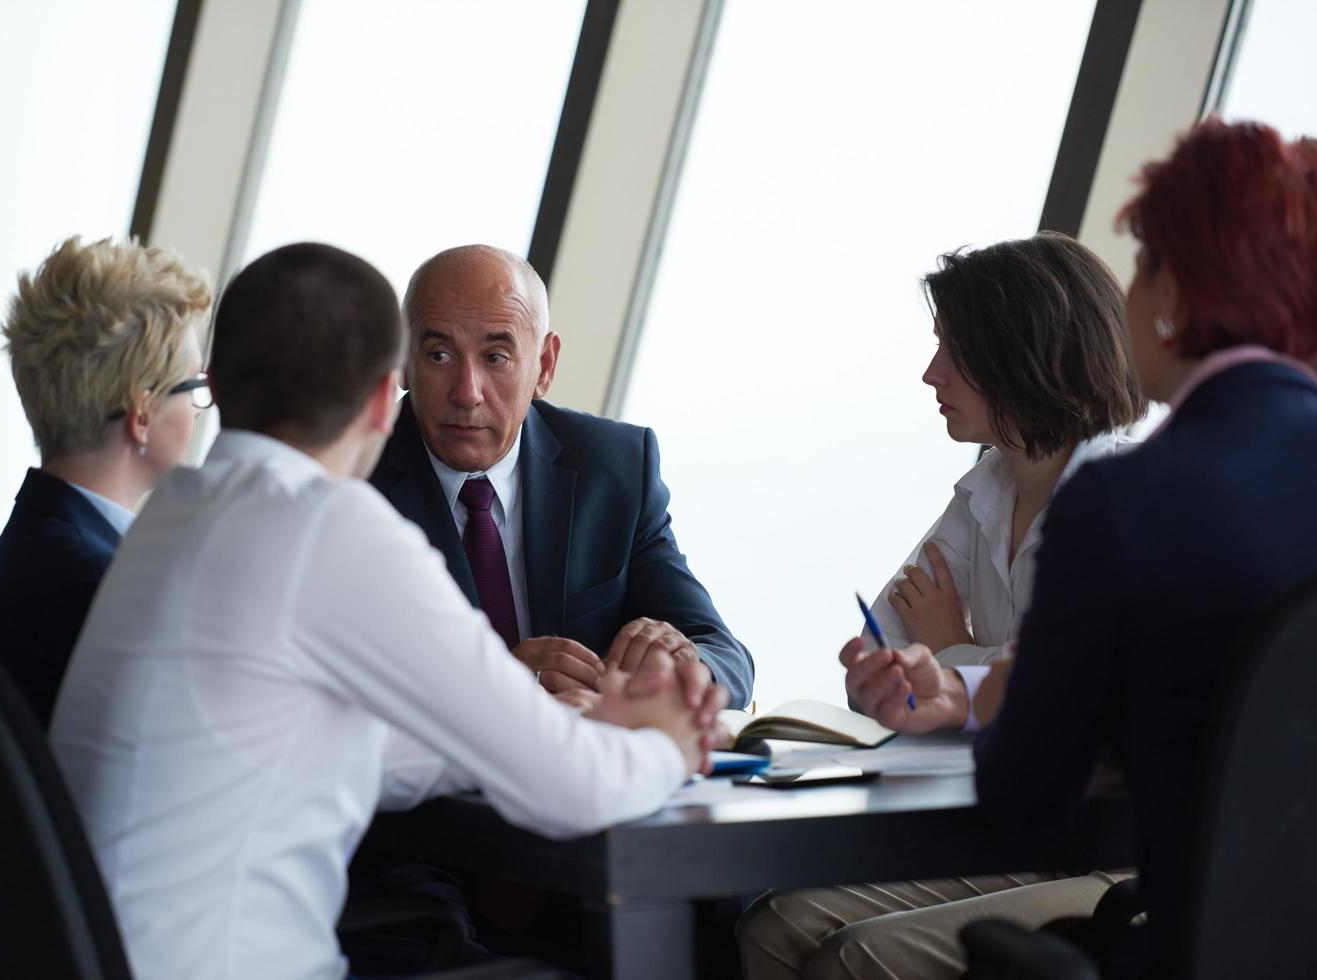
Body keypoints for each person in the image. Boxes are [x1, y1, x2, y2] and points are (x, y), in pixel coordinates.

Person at [49, 242, 728, 980]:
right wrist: (662, 739)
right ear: (387, 395)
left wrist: (551, 723)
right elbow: (576, 792)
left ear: (218, 384)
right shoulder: (327, 526)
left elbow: (340, 751)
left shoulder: (174, 518)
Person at [843, 118, 1317, 978]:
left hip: (1181, 936)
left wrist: (990, 685)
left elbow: (1026, 798)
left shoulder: (1127, 499)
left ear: (1174, 289)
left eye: (1139, 267)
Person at [738, 232, 1145, 979]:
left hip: (1101, 847)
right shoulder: (984, 487)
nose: (931, 374)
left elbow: (1067, 696)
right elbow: (893, 645)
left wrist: (949, 652)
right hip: (1010, 823)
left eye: (955, 351)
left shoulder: (1124, 500)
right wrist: (889, 674)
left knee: (852, 955)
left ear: (1030, 354)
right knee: (772, 923)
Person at [371, 244, 753, 707]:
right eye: (439, 356)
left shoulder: (614, 467)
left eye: (495, 357)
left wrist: (680, 668)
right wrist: (499, 687)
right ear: (404, 361)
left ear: (544, 367)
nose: (467, 393)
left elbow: (725, 654)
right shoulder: (355, 480)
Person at [0, 236, 211, 725]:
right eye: (194, 386)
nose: (201, 411)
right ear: (142, 414)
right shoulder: (103, 591)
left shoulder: (35, 546)